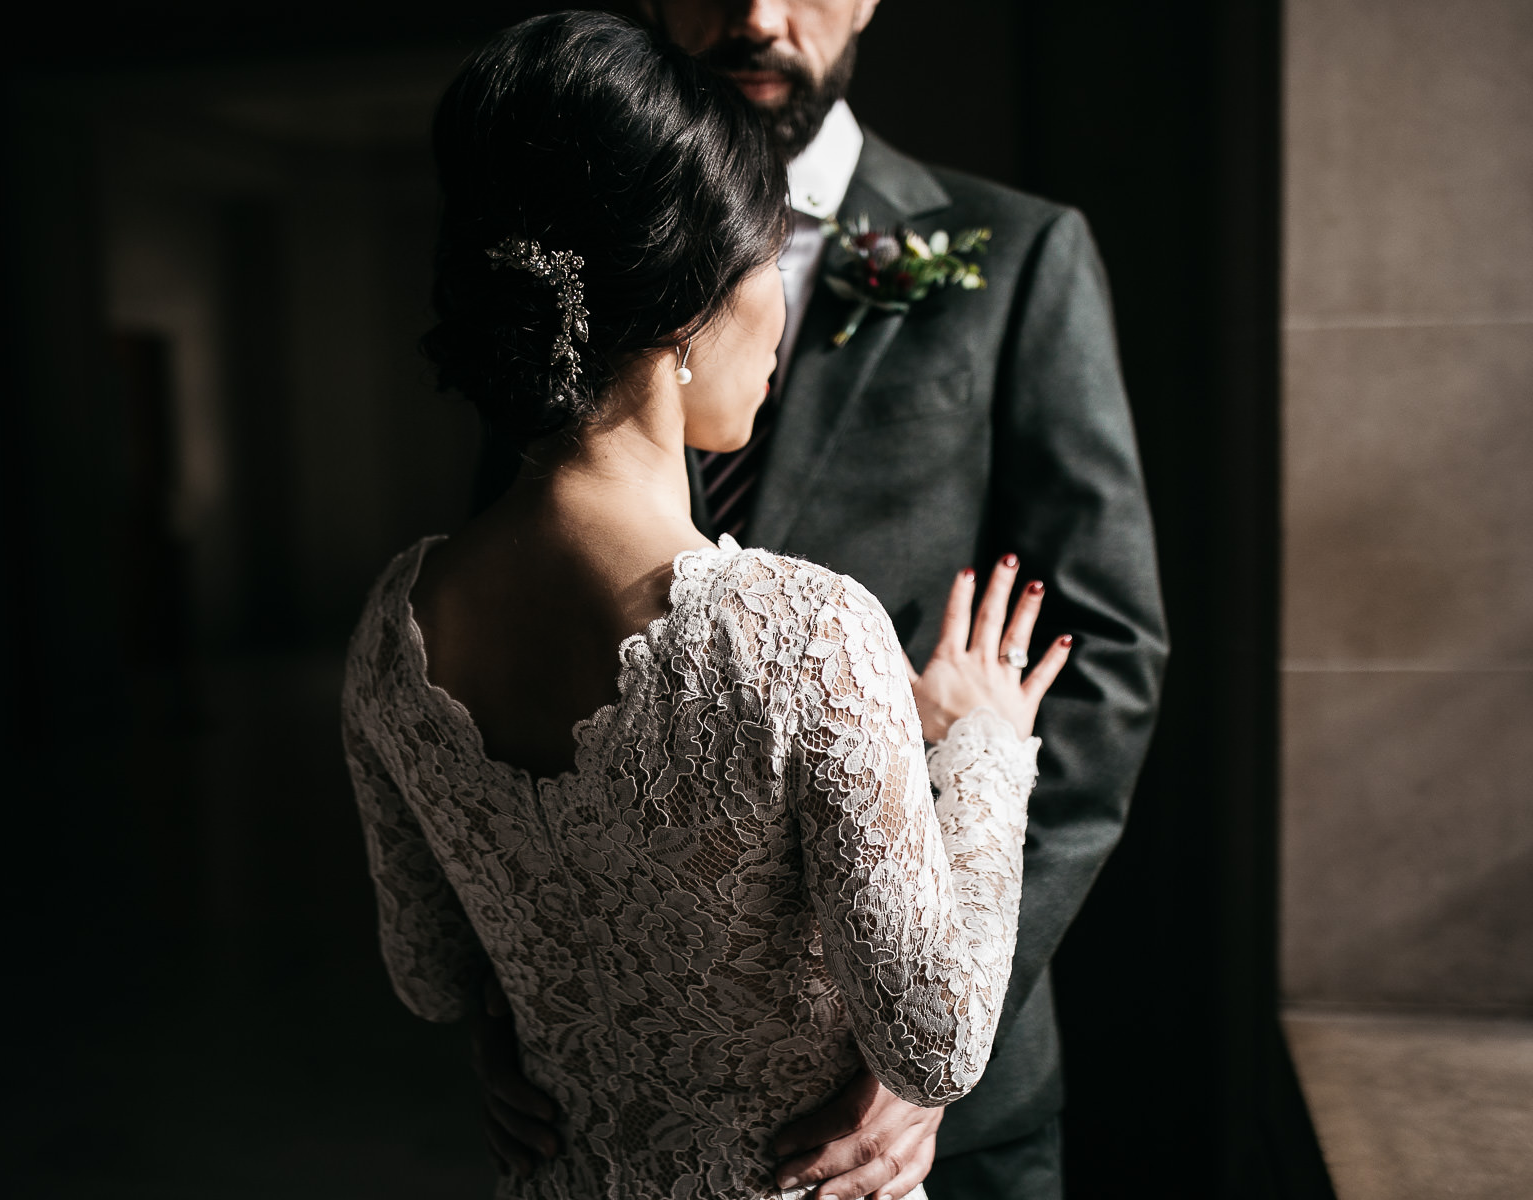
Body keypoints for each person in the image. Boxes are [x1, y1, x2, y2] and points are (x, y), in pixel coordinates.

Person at [342, 12, 1076, 1199]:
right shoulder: (807, 636)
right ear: (689, 310)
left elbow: (431, 975)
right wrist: (981, 745)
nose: (779, 307)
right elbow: (934, 1042)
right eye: (763, 264)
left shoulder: (394, 622)